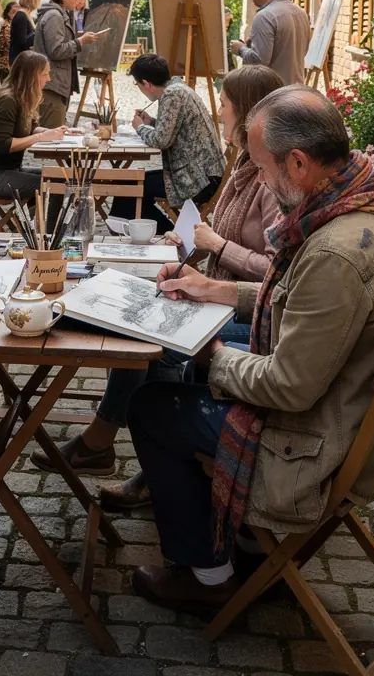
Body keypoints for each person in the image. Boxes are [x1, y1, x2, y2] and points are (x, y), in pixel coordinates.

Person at [127, 86, 374, 614]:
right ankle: (233, 537)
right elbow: (304, 309)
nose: (260, 178)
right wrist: (215, 290)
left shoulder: (337, 252)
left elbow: (289, 386)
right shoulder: (362, 202)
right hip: (347, 407)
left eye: (263, 168)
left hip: (317, 445)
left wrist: (213, 357)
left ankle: (209, 575)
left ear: (298, 161)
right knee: (179, 363)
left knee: (153, 407)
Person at [37, 65, 284, 490]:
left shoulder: (268, 178)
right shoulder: (245, 166)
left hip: (251, 309)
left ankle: (115, 445)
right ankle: (152, 464)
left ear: (246, 115)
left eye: (223, 106)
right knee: (148, 315)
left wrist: (216, 248)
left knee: (147, 333)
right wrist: (194, 243)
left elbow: (276, 274)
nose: (218, 114)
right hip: (222, 292)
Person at [110, 54, 225, 234]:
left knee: (129, 189)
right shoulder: (178, 88)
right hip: (202, 173)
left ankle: (172, 236)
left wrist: (140, 127)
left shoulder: (173, 94)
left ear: (147, 84)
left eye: (138, 84)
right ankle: (155, 233)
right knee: (130, 184)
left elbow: (161, 141)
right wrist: (153, 122)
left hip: (198, 180)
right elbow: (174, 130)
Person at [0, 51, 67, 199]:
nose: (49, 79)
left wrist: (55, 132)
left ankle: (34, 220)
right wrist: (41, 137)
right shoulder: (7, 101)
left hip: (9, 170)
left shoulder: (23, 97)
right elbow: (4, 144)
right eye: (45, 74)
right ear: (32, 76)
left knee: (62, 178)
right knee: (55, 187)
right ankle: (45, 223)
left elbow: (32, 128)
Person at [34, 0, 100, 128]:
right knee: (51, 133)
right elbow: (56, 50)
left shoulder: (60, 14)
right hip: (52, 83)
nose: (77, 2)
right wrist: (80, 42)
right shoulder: (54, 16)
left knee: (54, 130)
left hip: (56, 81)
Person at [230, 0, 310, 85]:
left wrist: (240, 49)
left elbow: (259, 62)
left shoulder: (265, 16)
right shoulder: (300, 13)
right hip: (296, 89)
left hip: (272, 92)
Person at [8, 0, 43, 66]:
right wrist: (39, 33)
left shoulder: (27, 15)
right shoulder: (21, 16)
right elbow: (21, 43)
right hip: (20, 62)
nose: (40, 2)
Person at [0, 1, 16, 83]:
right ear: (8, 13)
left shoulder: (10, 25)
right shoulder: (6, 27)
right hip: (6, 63)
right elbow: (6, 45)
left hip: (6, 62)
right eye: (13, 12)